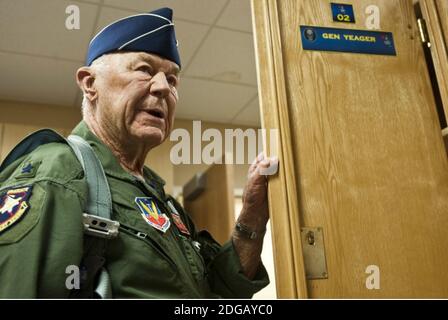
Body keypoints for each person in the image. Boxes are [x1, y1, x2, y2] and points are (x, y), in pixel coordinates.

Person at [0, 7, 278, 298]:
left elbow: (221, 291)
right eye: (144, 70)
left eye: (172, 80)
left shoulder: (163, 201)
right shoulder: (58, 173)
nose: (162, 88)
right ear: (90, 83)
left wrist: (252, 213)